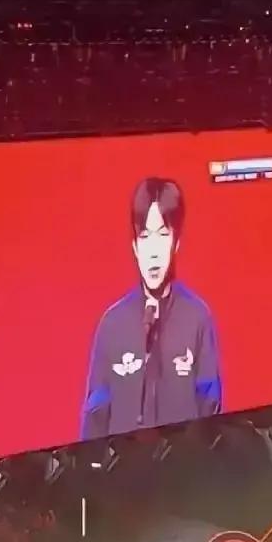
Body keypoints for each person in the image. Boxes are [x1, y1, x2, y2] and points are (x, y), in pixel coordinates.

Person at [81, 177, 222, 439]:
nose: (154, 252)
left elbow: (211, 406)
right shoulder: (112, 324)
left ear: (176, 242)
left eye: (163, 235)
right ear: (135, 246)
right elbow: (95, 417)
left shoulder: (197, 317)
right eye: (145, 236)